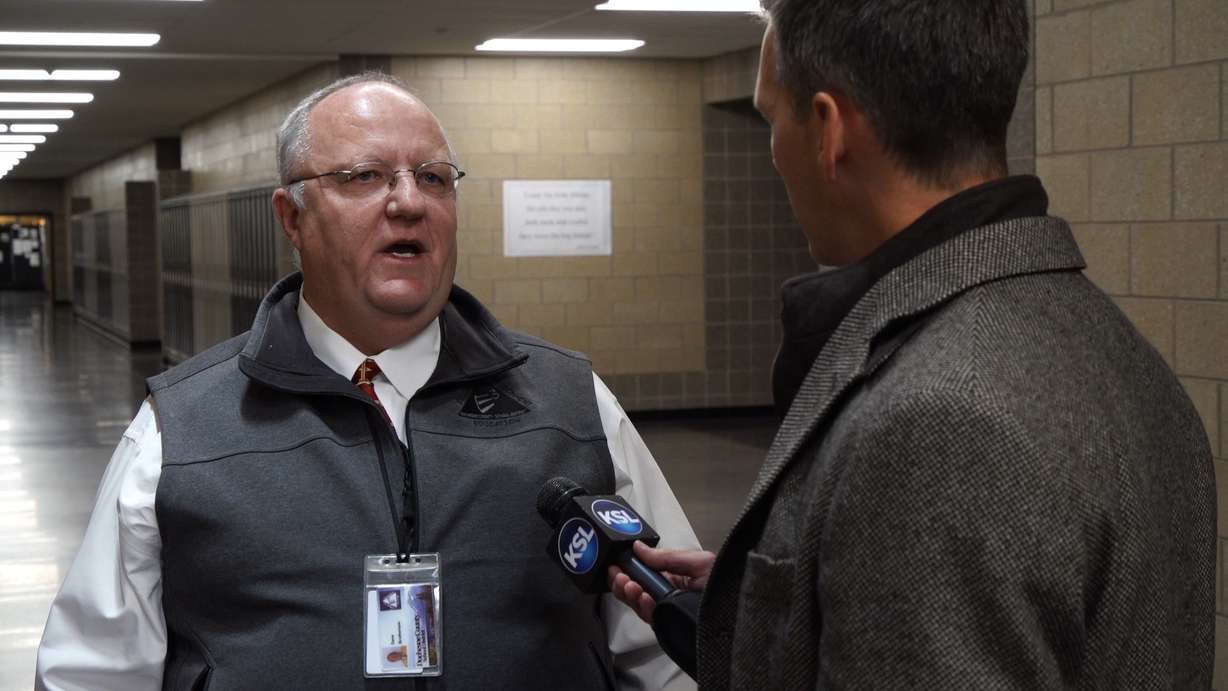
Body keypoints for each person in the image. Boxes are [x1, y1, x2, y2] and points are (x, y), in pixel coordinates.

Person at [610, 1, 1217, 688]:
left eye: (771, 116)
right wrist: (786, 596)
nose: (772, 147)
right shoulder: (1120, 354)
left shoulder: (938, 422)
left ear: (829, 130)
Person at [37, 72, 701, 690]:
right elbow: (90, 673)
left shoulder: (571, 402)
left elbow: (675, 648)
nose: (409, 202)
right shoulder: (178, 430)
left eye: (435, 178)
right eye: (364, 176)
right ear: (291, 217)